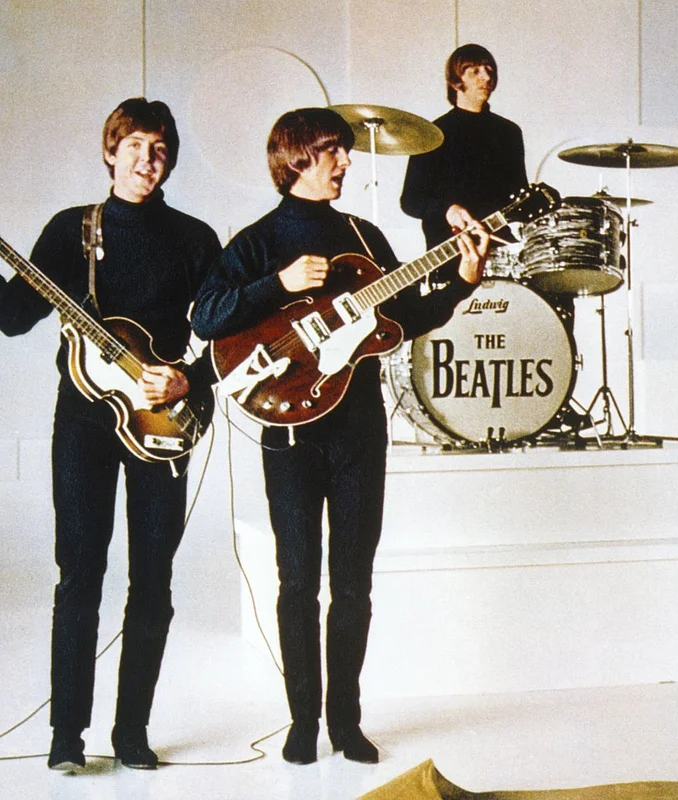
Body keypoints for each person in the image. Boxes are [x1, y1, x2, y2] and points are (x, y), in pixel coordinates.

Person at [190, 107, 489, 765]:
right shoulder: (258, 240)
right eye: (334, 152)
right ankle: (302, 722)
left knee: (354, 581)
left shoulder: (364, 235)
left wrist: (462, 282)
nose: (347, 162)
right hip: (288, 429)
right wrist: (278, 284)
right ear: (296, 157)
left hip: (358, 428)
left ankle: (345, 721)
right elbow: (207, 317)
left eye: (346, 152)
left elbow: (403, 317)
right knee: (297, 580)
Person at [0, 98, 221, 771]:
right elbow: (13, 318)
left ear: (169, 161)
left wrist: (187, 379)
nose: (145, 161)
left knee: (153, 580)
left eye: (158, 150)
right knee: (80, 574)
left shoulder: (194, 238)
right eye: (133, 147)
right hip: (85, 423)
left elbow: (228, 335)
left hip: (161, 421)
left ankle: (132, 733)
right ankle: (67, 736)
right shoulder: (72, 231)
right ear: (109, 151)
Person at [400, 42, 528, 260]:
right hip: (448, 252)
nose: (486, 77)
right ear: (456, 81)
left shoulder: (509, 132)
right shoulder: (432, 134)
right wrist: (448, 210)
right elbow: (410, 201)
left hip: (499, 249)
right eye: (475, 71)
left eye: (489, 70)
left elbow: (519, 194)